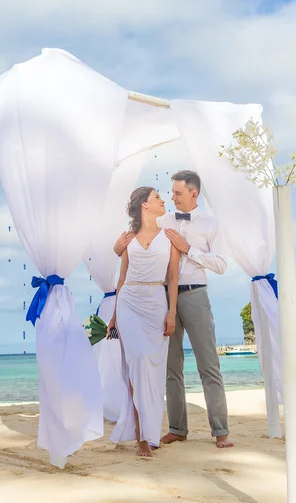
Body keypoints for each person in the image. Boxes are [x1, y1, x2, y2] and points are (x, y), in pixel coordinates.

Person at [114, 170, 234, 449]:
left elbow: (221, 265)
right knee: (171, 367)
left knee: (208, 364)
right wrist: (117, 248)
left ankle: (221, 430)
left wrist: (188, 249)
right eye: (170, 193)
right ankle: (178, 428)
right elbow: (136, 240)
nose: (171, 197)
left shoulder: (211, 224)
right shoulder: (163, 217)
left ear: (194, 194)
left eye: (177, 193)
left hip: (195, 295)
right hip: (162, 298)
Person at [107, 186, 180, 457]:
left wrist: (172, 312)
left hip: (156, 305)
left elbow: (172, 277)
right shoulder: (128, 239)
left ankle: (151, 433)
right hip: (129, 302)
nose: (164, 200)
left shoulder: (170, 237)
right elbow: (122, 277)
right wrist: (114, 314)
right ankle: (140, 437)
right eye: (158, 197)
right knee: (137, 362)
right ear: (144, 205)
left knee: (153, 371)